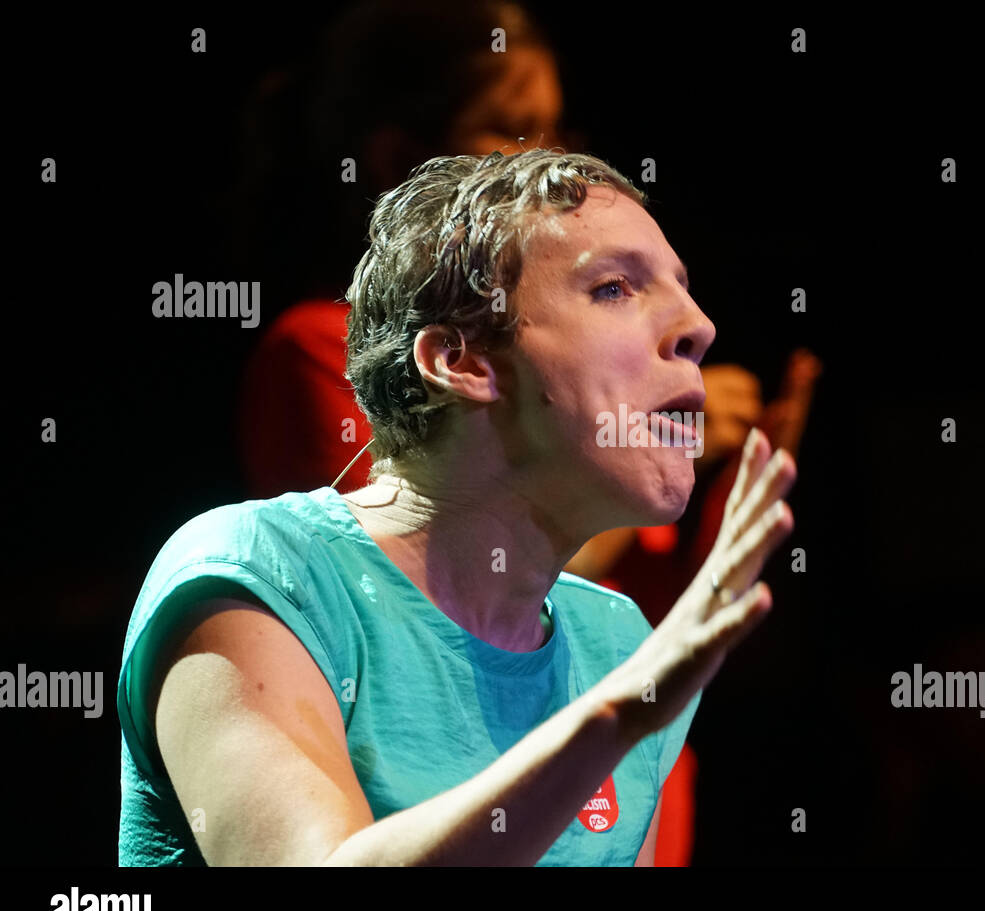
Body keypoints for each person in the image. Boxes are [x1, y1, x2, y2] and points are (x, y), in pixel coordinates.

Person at [117, 149, 797, 866]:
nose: (698, 326)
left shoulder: (616, 642)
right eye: (615, 287)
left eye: (683, 291)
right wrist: (612, 714)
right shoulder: (261, 574)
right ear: (462, 360)